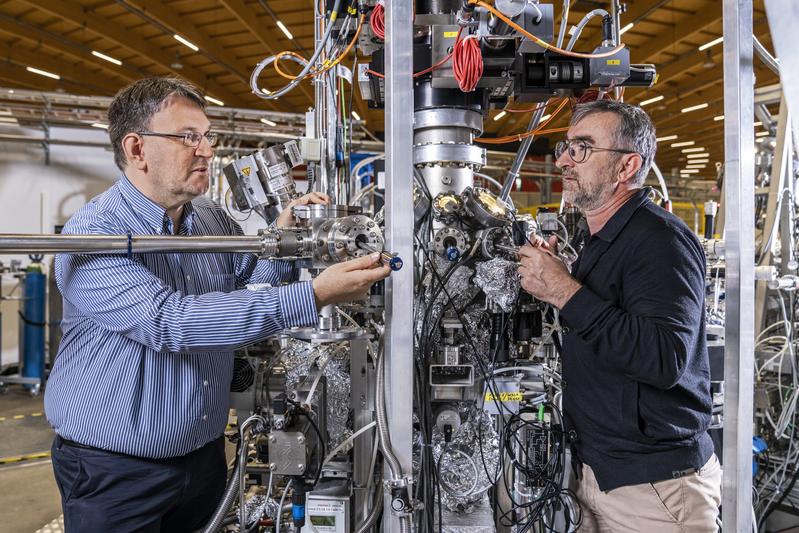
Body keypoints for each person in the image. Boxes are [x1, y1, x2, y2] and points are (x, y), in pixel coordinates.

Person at [44, 76, 390, 532]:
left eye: (206, 136)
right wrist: (314, 295)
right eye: (188, 137)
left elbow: (252, 279)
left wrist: (280, 241)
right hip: (115, 471)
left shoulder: (207, 216)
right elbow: (172, 323)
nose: (205, 149)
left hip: (203, 459)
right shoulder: (96, 232)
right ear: (136, 149)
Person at [517, 99, 721, 532]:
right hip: (602, 471)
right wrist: (566, 279)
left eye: (583, 149)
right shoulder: (603, 237)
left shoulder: (660, 241)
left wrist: (565, 290)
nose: (565, 161)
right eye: (567, 147)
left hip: (655, 491)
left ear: (627, 166)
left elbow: (663, 358)